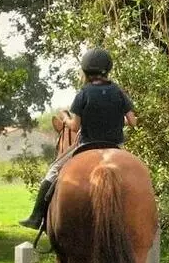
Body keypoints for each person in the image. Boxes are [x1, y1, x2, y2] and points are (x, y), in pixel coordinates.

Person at [19, 48, 137, 230]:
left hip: (87, 146)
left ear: (86, 71)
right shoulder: (118, 92)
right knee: (137, 174)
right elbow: (132, 122)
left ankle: (36, 217)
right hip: (116, 147)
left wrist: (65, 118)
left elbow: (74, 127)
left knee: (53, 170)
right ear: (108, 70)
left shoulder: (83, 93)